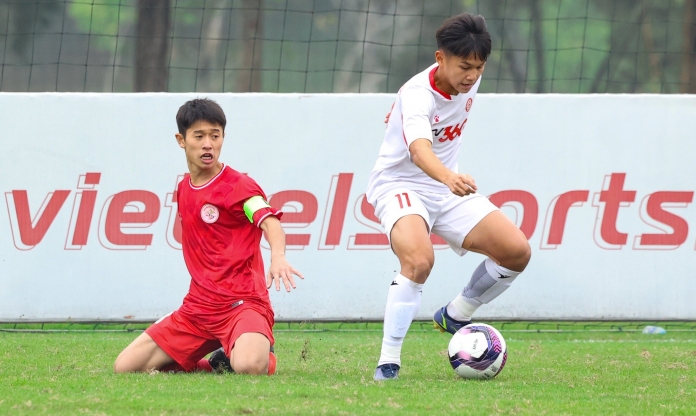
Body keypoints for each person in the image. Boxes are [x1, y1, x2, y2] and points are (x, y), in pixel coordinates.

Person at [365, 13, 531, 381]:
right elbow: (421, 151)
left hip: (445, 187)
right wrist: (449, 176)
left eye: (479, 66)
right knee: (420, 261)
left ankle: (456, 313)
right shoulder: (417, 95)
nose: (471, 75)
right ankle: (388, 361)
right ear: (440, 59)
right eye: (464, 67)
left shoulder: (469, 76)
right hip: (400, 186)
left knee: (516, 252)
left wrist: (448, 180)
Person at [114, 98, 303, 375]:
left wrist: (278, 257)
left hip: (243, 304)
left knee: (250, 367)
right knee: (126, 368)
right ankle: (216, 363)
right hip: (198, 308)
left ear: (223, 138)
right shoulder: (184, 188)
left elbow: (269, 220)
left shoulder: (239, 186)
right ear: (181, 140)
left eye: (215, 136)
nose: (208, 144)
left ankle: (257, 352)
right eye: (199, 136)